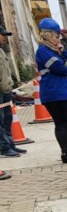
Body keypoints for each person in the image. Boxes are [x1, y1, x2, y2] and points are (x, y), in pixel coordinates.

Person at [35, 18, 67, 163]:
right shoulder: (43, 51)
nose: (59, 39)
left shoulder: (56, 50)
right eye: (56, 36)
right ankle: (66, 153)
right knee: (61, 123)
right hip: (53, 92)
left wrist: (63, 52)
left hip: (64, 90)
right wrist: (66, 65)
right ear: (48, 35)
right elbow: (61, 68)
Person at [0, 22, 24, 159]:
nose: (4, 37)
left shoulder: (2, 50)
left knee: (8, 119)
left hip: (6, 91)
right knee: (0, 121)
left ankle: (10, 144)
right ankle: (4, 147)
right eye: (2, 35)